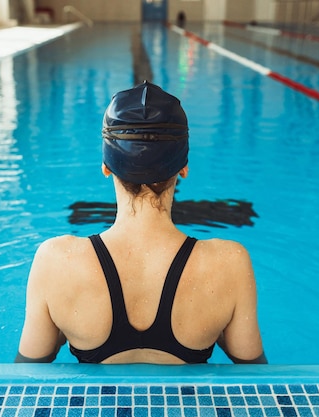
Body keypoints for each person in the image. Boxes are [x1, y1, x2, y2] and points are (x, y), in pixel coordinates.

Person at [15, 81, 266, 364]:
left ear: (106, 167)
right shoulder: (229, 263)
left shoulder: (56, 261)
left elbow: (28, 379)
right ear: (183, 168)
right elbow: (256, 378)